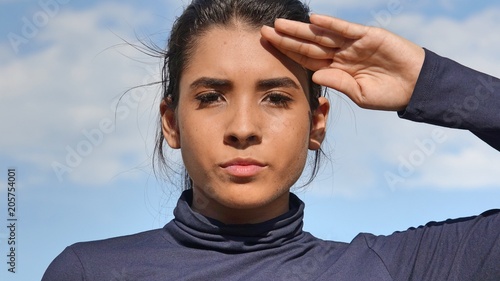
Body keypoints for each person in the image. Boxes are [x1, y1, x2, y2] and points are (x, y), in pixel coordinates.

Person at [42, 0, 500, 280]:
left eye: (276, 98)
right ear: (172, 123)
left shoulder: (394, 269)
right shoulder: (88, 271)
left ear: (317, 122)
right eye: (211, 97)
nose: (243, 127)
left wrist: (429, 80)